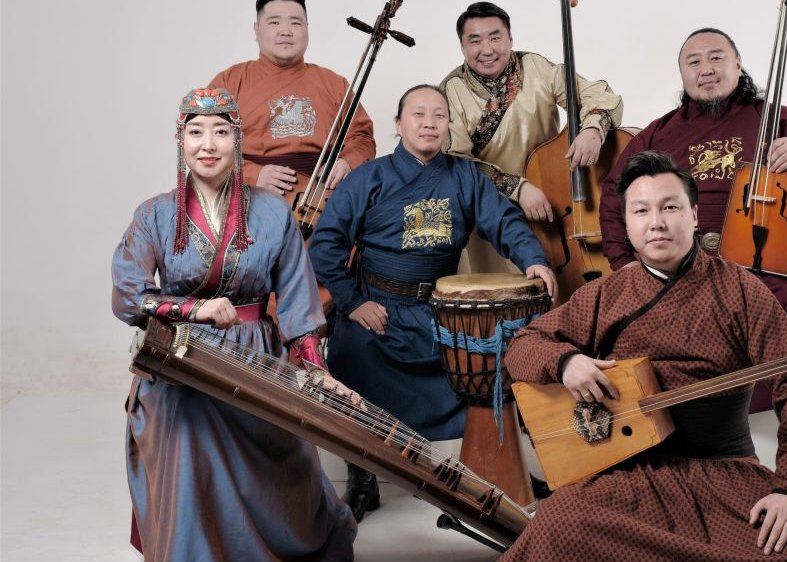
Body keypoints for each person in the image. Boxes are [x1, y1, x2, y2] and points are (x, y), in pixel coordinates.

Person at [502, 151, 787, 561]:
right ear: (627, 224)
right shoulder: (605, 294)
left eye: (669, 207)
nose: (655, 222)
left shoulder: (741, 290)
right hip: (626, 473)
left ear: (694, 215)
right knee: (559, 524)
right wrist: (566, 362)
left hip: (723, 470)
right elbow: (522, 346)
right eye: (641, 211)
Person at [112, 88, 362, 561]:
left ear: (237, 140)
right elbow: (128, 296)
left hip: (255, 360)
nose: (208, 145)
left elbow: (298, 301)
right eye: (196, 132)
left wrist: (316, 370)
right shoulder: (154, 214)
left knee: (281, 475)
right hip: (180, 363)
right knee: (187, 464)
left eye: (221, 132)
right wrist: (194, 310)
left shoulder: (271, 212)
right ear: (180, 140)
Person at [598, 29, 787, 490]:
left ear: (737, 65)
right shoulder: (660, 132)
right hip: (683, 266)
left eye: (716, 58)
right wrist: (624, 263)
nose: (706, 69)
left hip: (761, 260)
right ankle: (657, 452)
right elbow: (616, 193)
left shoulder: (773, 118)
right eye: (693, 62)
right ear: (682, 74)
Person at [308, 84, 557, 522]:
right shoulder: (368, 178)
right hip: (377, 308)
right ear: (399, 124)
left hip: (440, 311)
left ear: (448, 125)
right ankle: (362, 475)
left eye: (439, 115)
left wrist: (533, 259)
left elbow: (504, 220)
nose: (429, 123)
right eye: (418, 114)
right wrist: (353, 303)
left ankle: (497, 468)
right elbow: (324, 245)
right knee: (350, 358)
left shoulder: (465, 177)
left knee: (496, 362)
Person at [441, 1, 622, 273]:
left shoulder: (535, 67)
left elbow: (596, 94)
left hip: (554, 202)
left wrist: (593, 129)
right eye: (475, 41)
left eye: (495, 38)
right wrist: (518, 188)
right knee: (505, 290)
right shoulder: (451, 90)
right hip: (491, 210)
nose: (487, 50)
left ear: (510, 39)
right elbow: (456, 164)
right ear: (462, 46)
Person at [209, 0, 375, 196]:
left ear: (307, 28)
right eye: (274, 22)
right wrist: (252, 175)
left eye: (295, 23)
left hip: (320, 197)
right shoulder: (229, 82)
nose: (286, 31)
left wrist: (346, 162)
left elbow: (362, 137)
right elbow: (204, 143)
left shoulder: (334, 83)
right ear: (256, 29)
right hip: (249, 196)